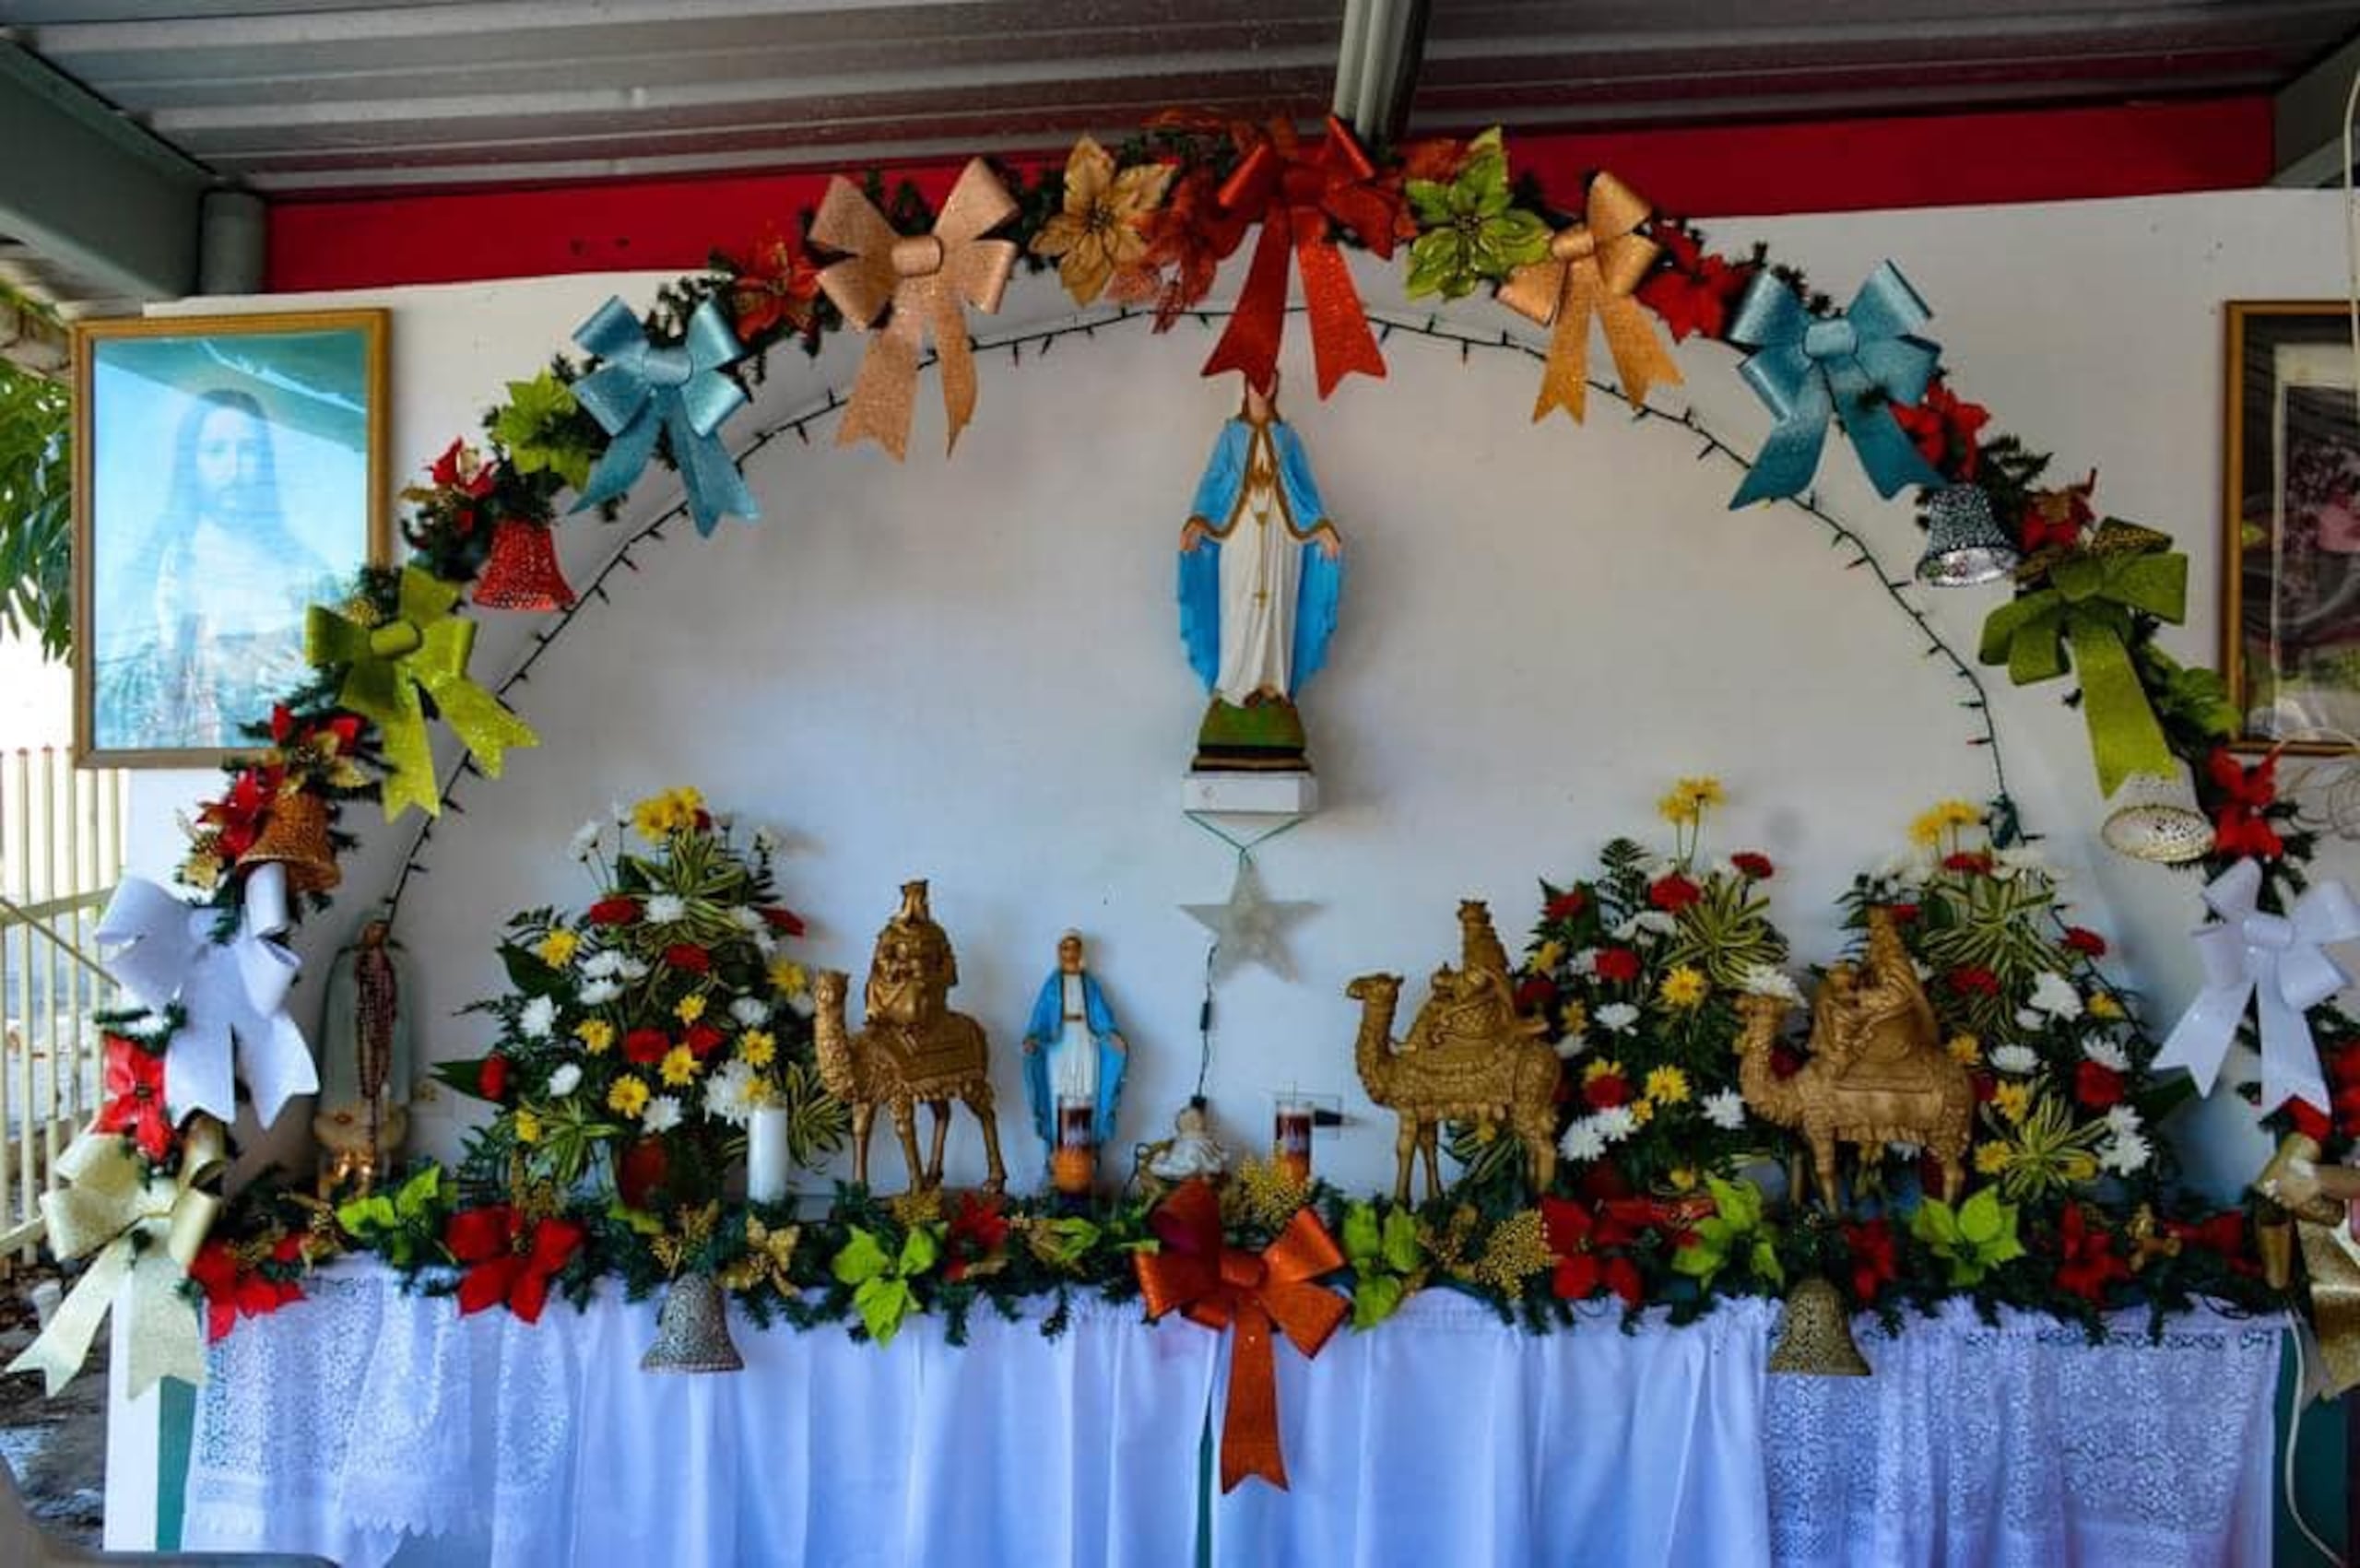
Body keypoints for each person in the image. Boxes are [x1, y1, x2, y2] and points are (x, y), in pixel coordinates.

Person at [93, 387, 340, 751]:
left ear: (265, 462)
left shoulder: (305, 573)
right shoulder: (159, 573)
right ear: (191, 462)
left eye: (249, 450)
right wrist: (170, 642)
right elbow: (111, 711)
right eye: (216, 450)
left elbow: (345, 693)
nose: (235, 468)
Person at [1176, 372, 1344, 770]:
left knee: (1278, 609)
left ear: (1275, 386)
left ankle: (1274, 686)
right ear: (1245, 386)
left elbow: (1303, 492)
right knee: (1239, 607)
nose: (1260, 386)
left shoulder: (1288, 439)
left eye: (1267, 379)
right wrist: (1198, 520)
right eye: (1254, 379)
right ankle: (1234, 688)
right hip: (1240, 537)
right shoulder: (1231, 436)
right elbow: (1213, 485)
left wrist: (1320, 528)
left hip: (1282, 540)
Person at [1020, 931, 1127, 1153]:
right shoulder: (1052, 984)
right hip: (1059, 1045)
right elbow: (1041, 1016)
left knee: (1086, 1088)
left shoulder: (1090, 984)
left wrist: (1111, 1034)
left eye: (1074, 947)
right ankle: (1059, 1153)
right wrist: (1033, 1037)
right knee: (1061, 1089)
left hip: (1085, 1041)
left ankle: (1085, 1153)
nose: (1070, 952)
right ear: (1060, 952)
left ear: (1080, 951)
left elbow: (1100, 1013)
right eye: (1066, 948)